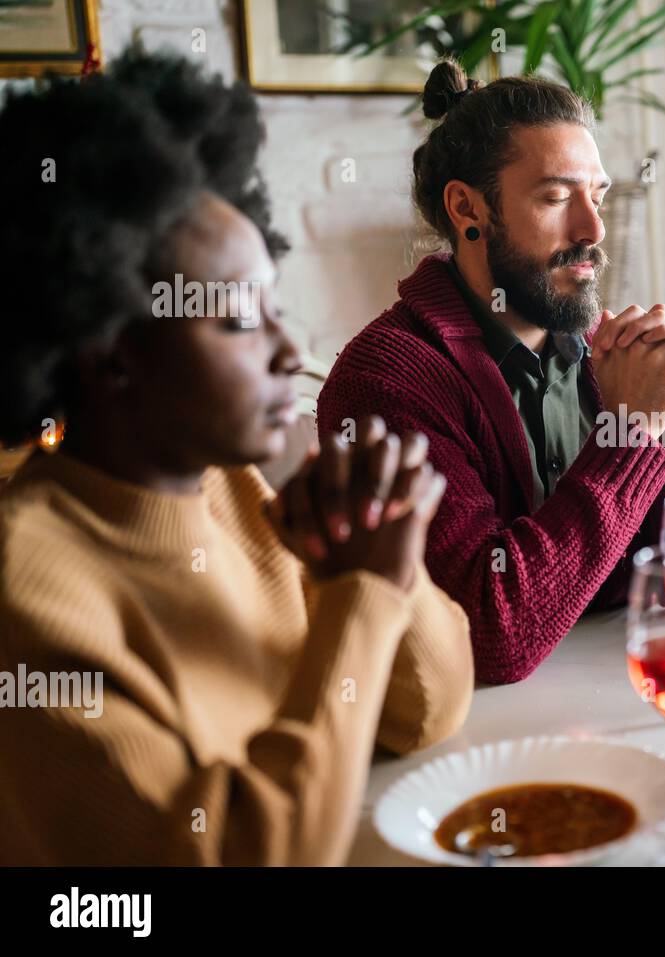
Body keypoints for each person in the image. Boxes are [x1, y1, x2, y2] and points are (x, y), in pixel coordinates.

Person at [0, 49, 473, 865]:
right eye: (238, 321)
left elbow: (427, 713)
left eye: (277, 308)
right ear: (111, 350)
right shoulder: (30, 590)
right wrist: (359, 592)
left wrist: (383, 566)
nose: (292, 349)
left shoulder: (236, 493)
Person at [318, 60, 665, 684]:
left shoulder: (614, 357)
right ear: (468, 208)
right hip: (473, 745)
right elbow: (490, 637)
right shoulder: (387, 381)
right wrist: (629, 436)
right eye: (555, 197)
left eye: (595, 196)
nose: (593, 229)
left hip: (626, 700)